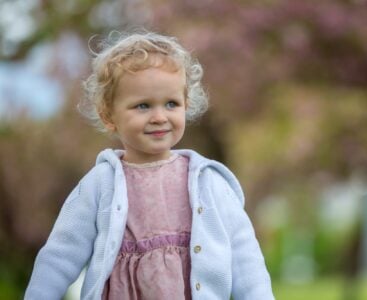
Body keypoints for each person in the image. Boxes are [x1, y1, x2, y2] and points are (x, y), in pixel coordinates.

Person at [24, 31, 274, 300]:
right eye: (143, 106)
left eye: (171, 104)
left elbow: (244, 256)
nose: (159, 117)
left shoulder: (208, 182)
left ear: (185, 105)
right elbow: (60, 255)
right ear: (109, 115)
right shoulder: (100, 183)